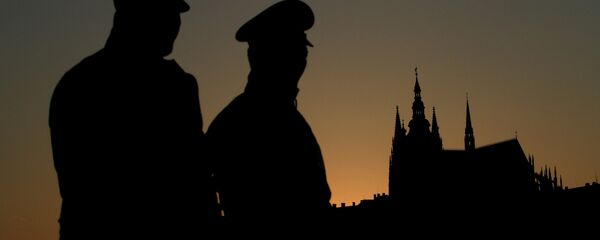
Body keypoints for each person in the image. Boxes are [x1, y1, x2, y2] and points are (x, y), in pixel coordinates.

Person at [49, 1, 218, 239]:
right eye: (168, 14)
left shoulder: (75, 82)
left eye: (176, 16)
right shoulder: (174, 86)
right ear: (137, 17)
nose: (175, 25)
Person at [206, 0, 331, 231]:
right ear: (263, 56)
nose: (302, 59)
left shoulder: (286, 118)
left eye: (302, 51)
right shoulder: (238, 122)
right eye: (292, 49)